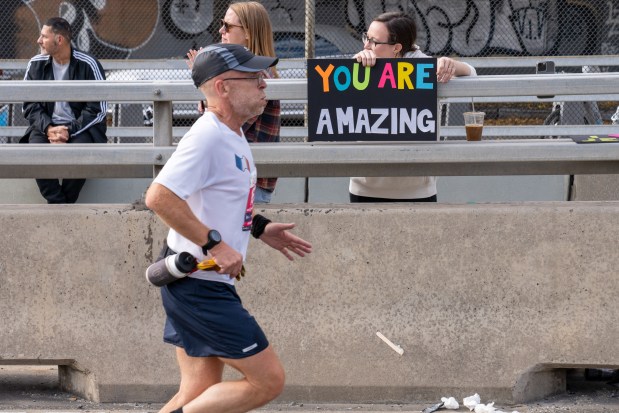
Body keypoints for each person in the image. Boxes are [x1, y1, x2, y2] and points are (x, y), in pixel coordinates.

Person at [145, 43, 312, 413]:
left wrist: (260, 228)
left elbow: (220, 201)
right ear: (222, 87)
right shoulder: (208, 137)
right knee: (268, 380)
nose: (264, 83)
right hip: (198, 285)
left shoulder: (232, 134)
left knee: (197, 391)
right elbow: (159, 197)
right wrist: (217, 246)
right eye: (253, 78)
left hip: (198, 283)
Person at [349, 11, 477, 203]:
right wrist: (354, 67)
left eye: (373, 41)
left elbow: (472, 74)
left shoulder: (423, 67)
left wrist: (451, 65)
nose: (366, 45)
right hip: (365, 188)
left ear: (396, 47)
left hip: (418, 190)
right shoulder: (360, 64)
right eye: (366, 37)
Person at [187, 1, 280, 204]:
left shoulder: (255, 76)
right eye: (222, 23)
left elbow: (223, 123)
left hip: (245, 183)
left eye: (228, 26)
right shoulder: (247, 74)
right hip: (238, 179)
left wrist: (205, 82)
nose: (221, 30)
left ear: (248, 32)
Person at [21, 17, 107, 204]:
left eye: (44, 36)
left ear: (59, 40)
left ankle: (61, 207)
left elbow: (97, 108)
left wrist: (69, 130)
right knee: (34, 153)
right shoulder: (35, 64)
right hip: (45, 127)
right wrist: (49, 129)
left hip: (79, 128)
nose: (39, 40)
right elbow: (29, 105)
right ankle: (61, 205)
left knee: (82, 153)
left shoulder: (88, 63)